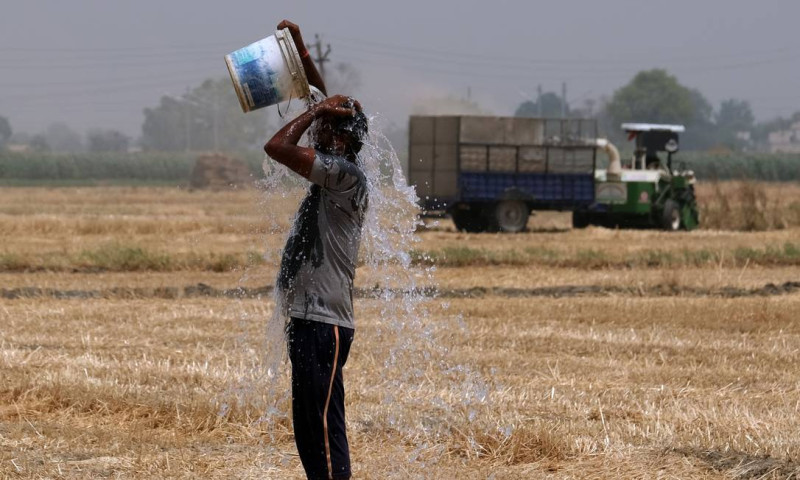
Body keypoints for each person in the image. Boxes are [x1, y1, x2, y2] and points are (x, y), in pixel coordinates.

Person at [264, 19, 368, 480]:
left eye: (325, 128)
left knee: (323, 429)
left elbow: (276, 145)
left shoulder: (345, 175)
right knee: (311, 430)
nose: (316, 131)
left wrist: (315, 111)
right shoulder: (339, 165)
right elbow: (318, 103)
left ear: (340, 141)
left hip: (324, 324)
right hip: (309, 319)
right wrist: (302, 51)